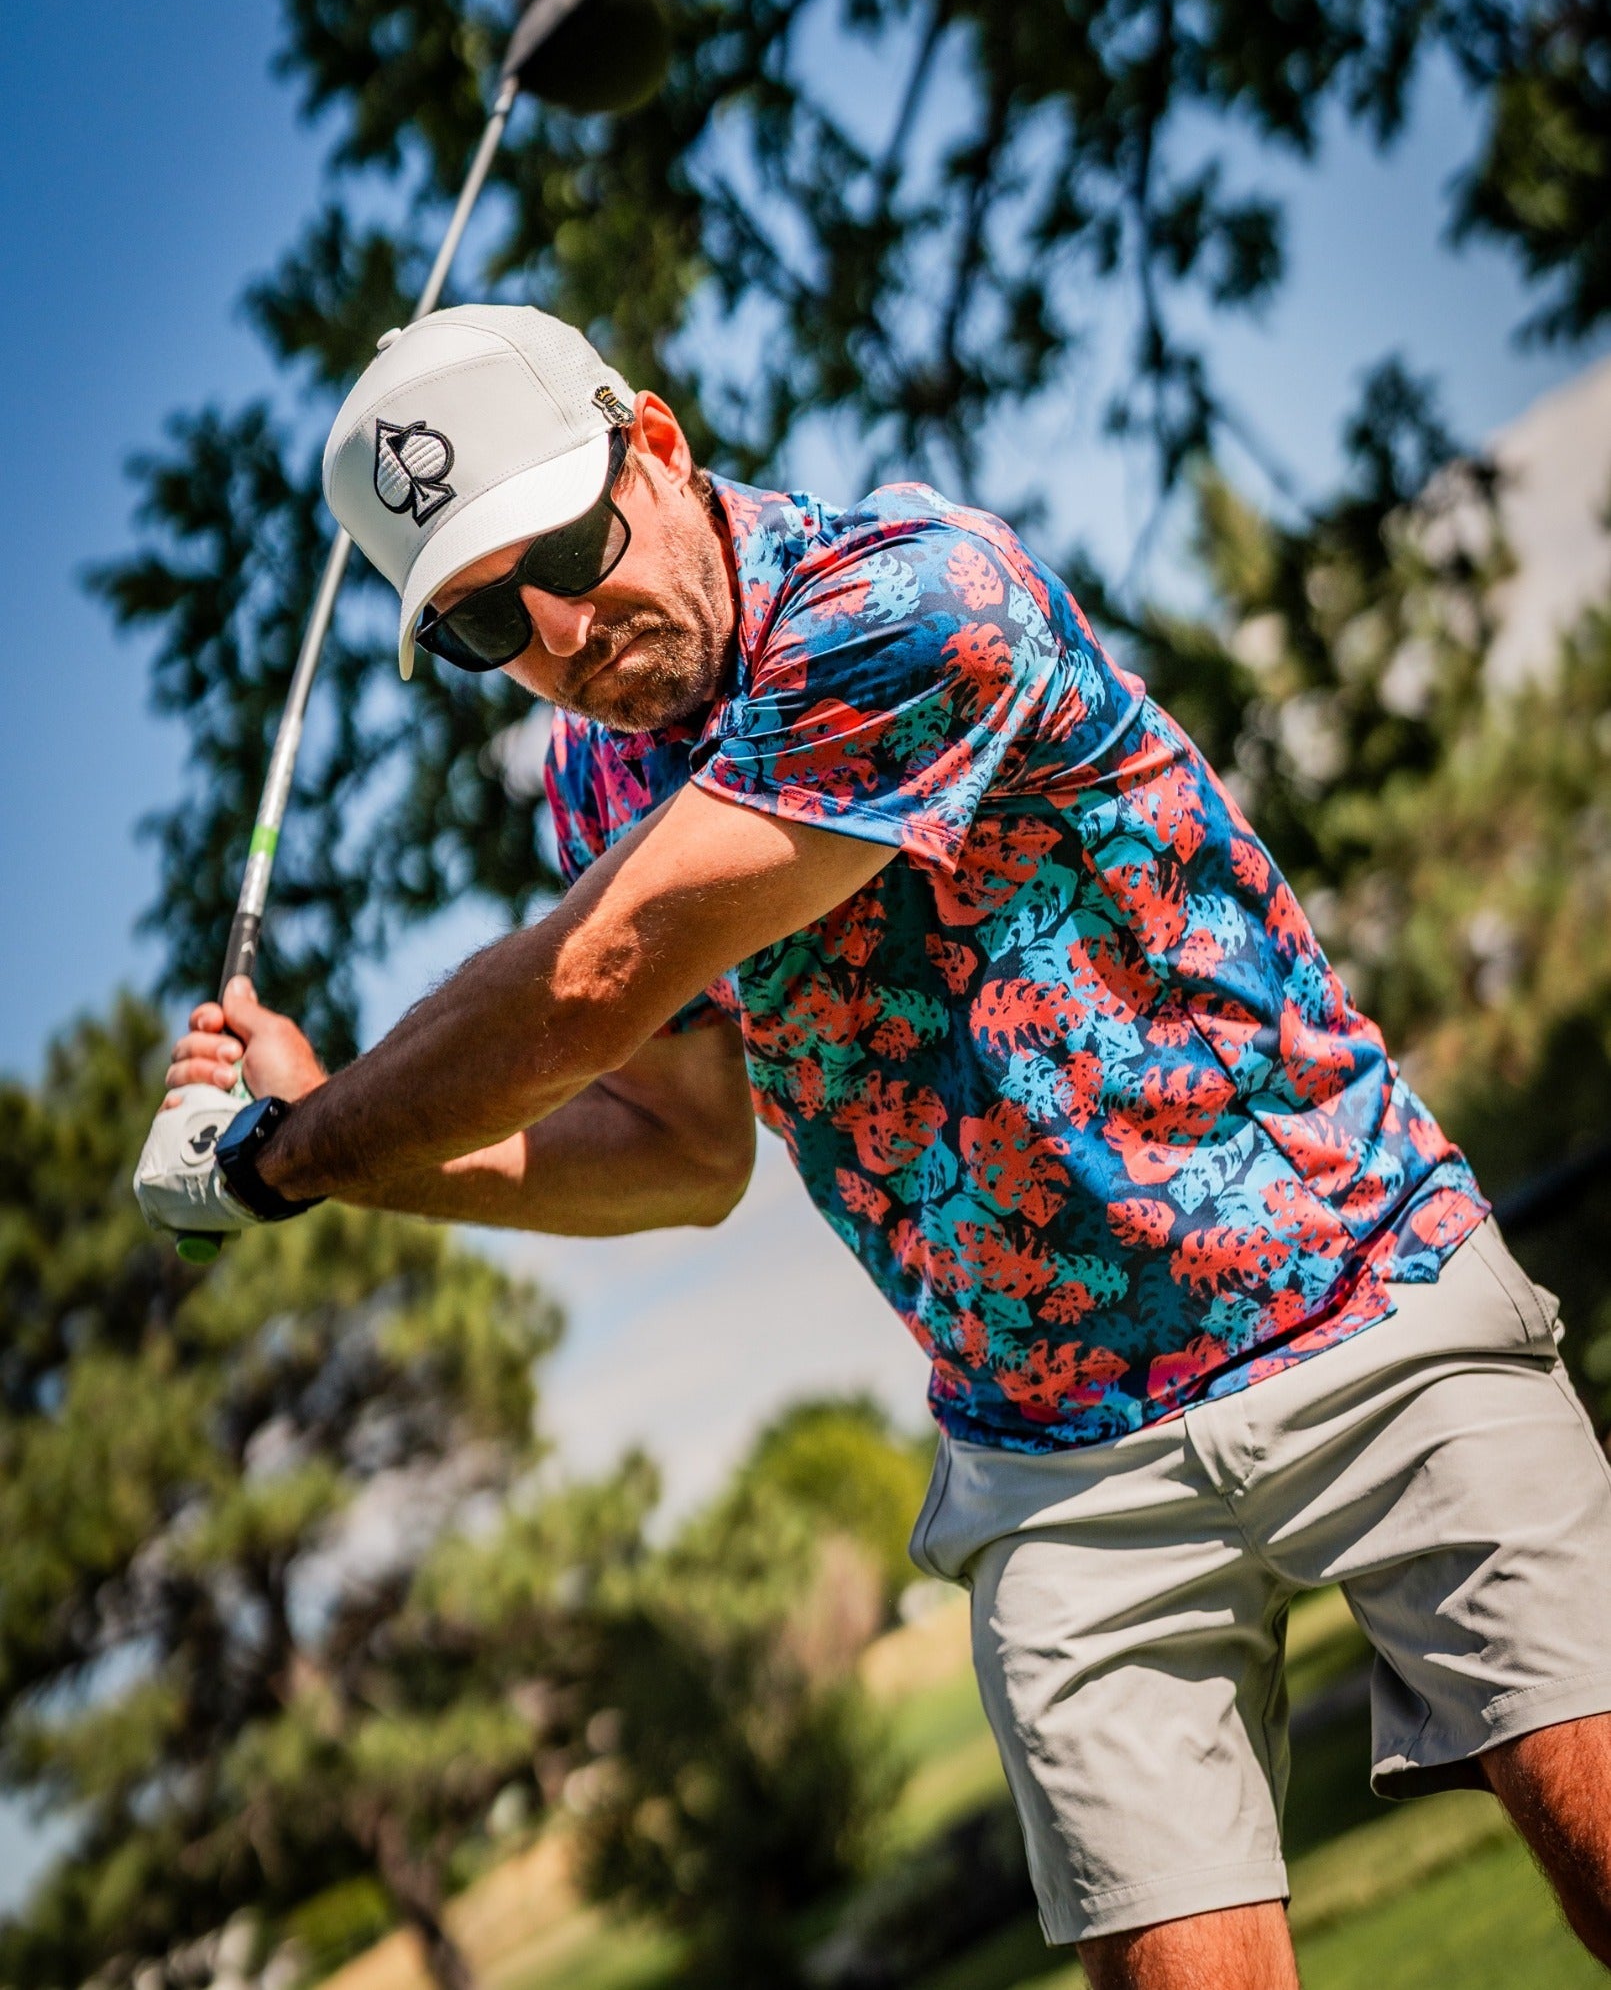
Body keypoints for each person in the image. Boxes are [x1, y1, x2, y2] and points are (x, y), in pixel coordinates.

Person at [158, 304, 1611, 1989]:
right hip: (1058, 1463)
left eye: (563, 547)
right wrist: (328, 1140)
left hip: (1362, 1297)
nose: (557, 632)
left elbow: (590, 981)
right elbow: (681, 1154)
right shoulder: (595, 780)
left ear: (659, 448)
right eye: (486, 621)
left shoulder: (914, 600)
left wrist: (282, 1152)